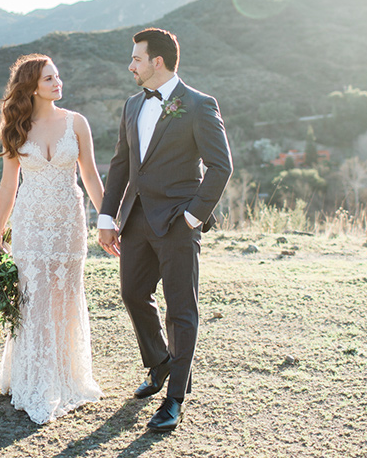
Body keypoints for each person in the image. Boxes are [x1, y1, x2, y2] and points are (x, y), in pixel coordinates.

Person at [98, 28, 232, 432]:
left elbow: (220, 166)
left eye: (136, 58)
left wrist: (193, 217)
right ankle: (159, 364)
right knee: (133, 293)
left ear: (157, 61)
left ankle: (174, 399)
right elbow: (122, 164)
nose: (130, 65)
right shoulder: (132, 105)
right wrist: (108, 217)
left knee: (181, 309)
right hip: (137, 219)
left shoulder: (198, 104)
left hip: (177, 222)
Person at [0, 53, 105, 425]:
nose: (58, 83)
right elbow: (9, 184)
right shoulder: (16, 126)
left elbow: (90, 176)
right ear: (32, 88)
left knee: (66, 296)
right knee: (34, 298)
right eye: (49, 79)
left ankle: (67, 376)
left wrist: (107, 219)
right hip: (31, 223)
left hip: (69, 222)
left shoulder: (77, 122)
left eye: (58, 76)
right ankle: (32, 378)